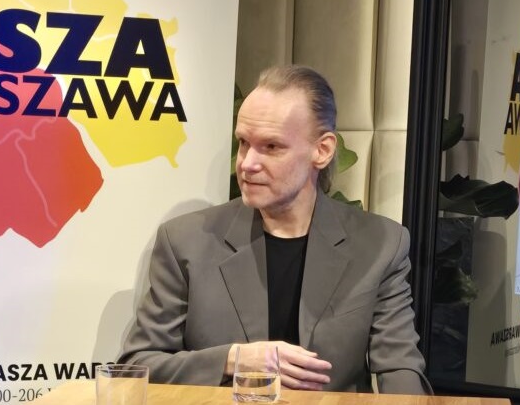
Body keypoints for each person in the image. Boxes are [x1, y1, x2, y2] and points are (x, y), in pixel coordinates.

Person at [118, 65, 431, 394]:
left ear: (322, 151)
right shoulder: (186, 241)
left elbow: (400, 368)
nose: (247, 163)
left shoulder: (381, 245)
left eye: (271, 147)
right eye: (243, 143)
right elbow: (136, 365)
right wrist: (233, 359)